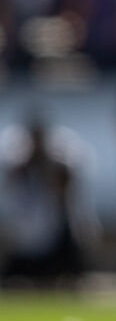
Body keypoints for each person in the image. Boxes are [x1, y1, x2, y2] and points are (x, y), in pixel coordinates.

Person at [0, 114, 96, 287]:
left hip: (55, 240)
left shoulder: (59, 156)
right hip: (25, 242)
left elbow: (73, 179)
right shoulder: (17, 158)